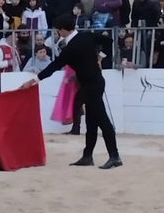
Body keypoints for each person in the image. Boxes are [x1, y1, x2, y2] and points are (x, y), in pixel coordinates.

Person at [23, 12, 122, 168]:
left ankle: (114, 156)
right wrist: (100, 57)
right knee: (91, 120)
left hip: (91, 85)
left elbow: (53, 67)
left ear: (63, 30)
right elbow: (109, 40)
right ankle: (88, 156)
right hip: (94, 82)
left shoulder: (70, 48)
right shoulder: (87, 36)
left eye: (58, 30)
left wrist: (34, 80)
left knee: (102, 120)